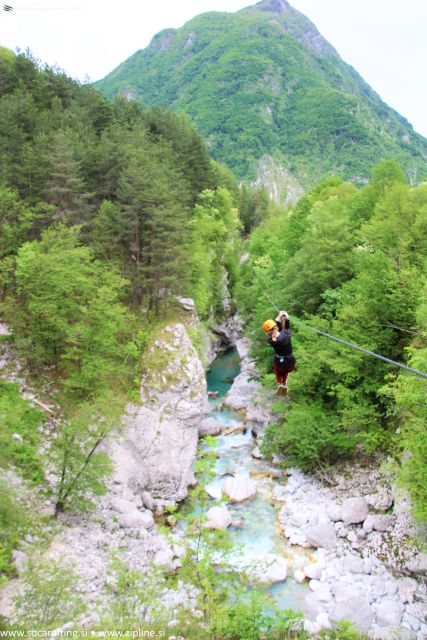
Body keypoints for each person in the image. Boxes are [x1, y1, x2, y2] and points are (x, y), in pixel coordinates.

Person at [262, 311, 296, 395]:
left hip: (279, 361)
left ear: (267, 332)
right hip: (290, 361)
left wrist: (279, 318)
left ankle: (280, 383)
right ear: (276, 327)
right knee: (286, 372)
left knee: (277, 371)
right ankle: (284, 383)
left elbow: (278, 331)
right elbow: (285, 328)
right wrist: (285, 319)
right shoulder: (286, 335)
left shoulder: (270, 340)